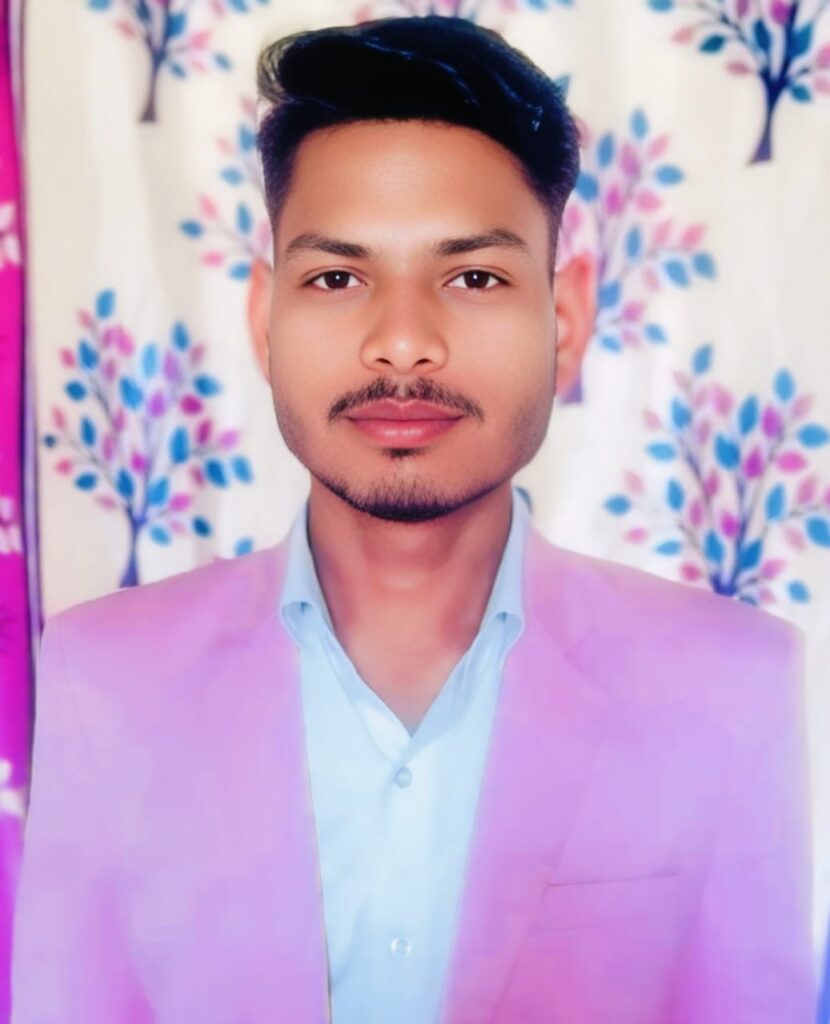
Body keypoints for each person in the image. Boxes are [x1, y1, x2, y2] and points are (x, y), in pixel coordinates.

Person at [11, 15, 813, 1024]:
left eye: (472, 277)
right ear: (264, 318)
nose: (401, 342)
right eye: (336, 277)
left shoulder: (733, 683)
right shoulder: (103, 677)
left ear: (564, 320)